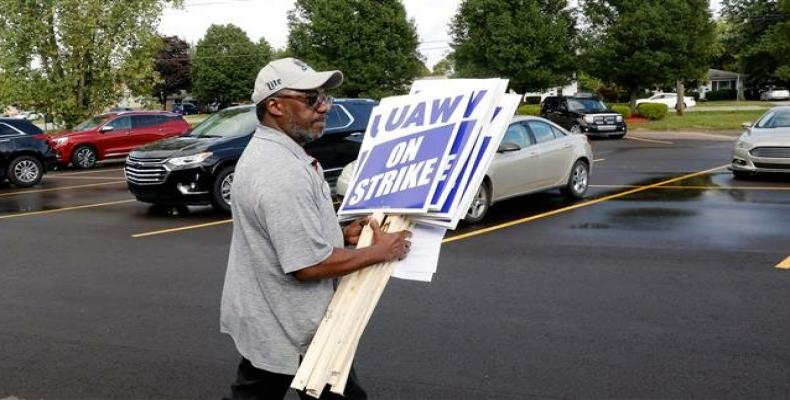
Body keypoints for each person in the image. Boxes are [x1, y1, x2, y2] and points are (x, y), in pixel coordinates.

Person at [220, 57, 412, 400]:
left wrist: (341, 235)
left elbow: (285, 235)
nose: (324, 108)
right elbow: (307, 266)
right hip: (292, 326)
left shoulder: (274, 153)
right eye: (311, 99)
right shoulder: (280, 171)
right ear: (275, 106)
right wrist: (380, 252)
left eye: (325, 98)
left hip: (271, 317)